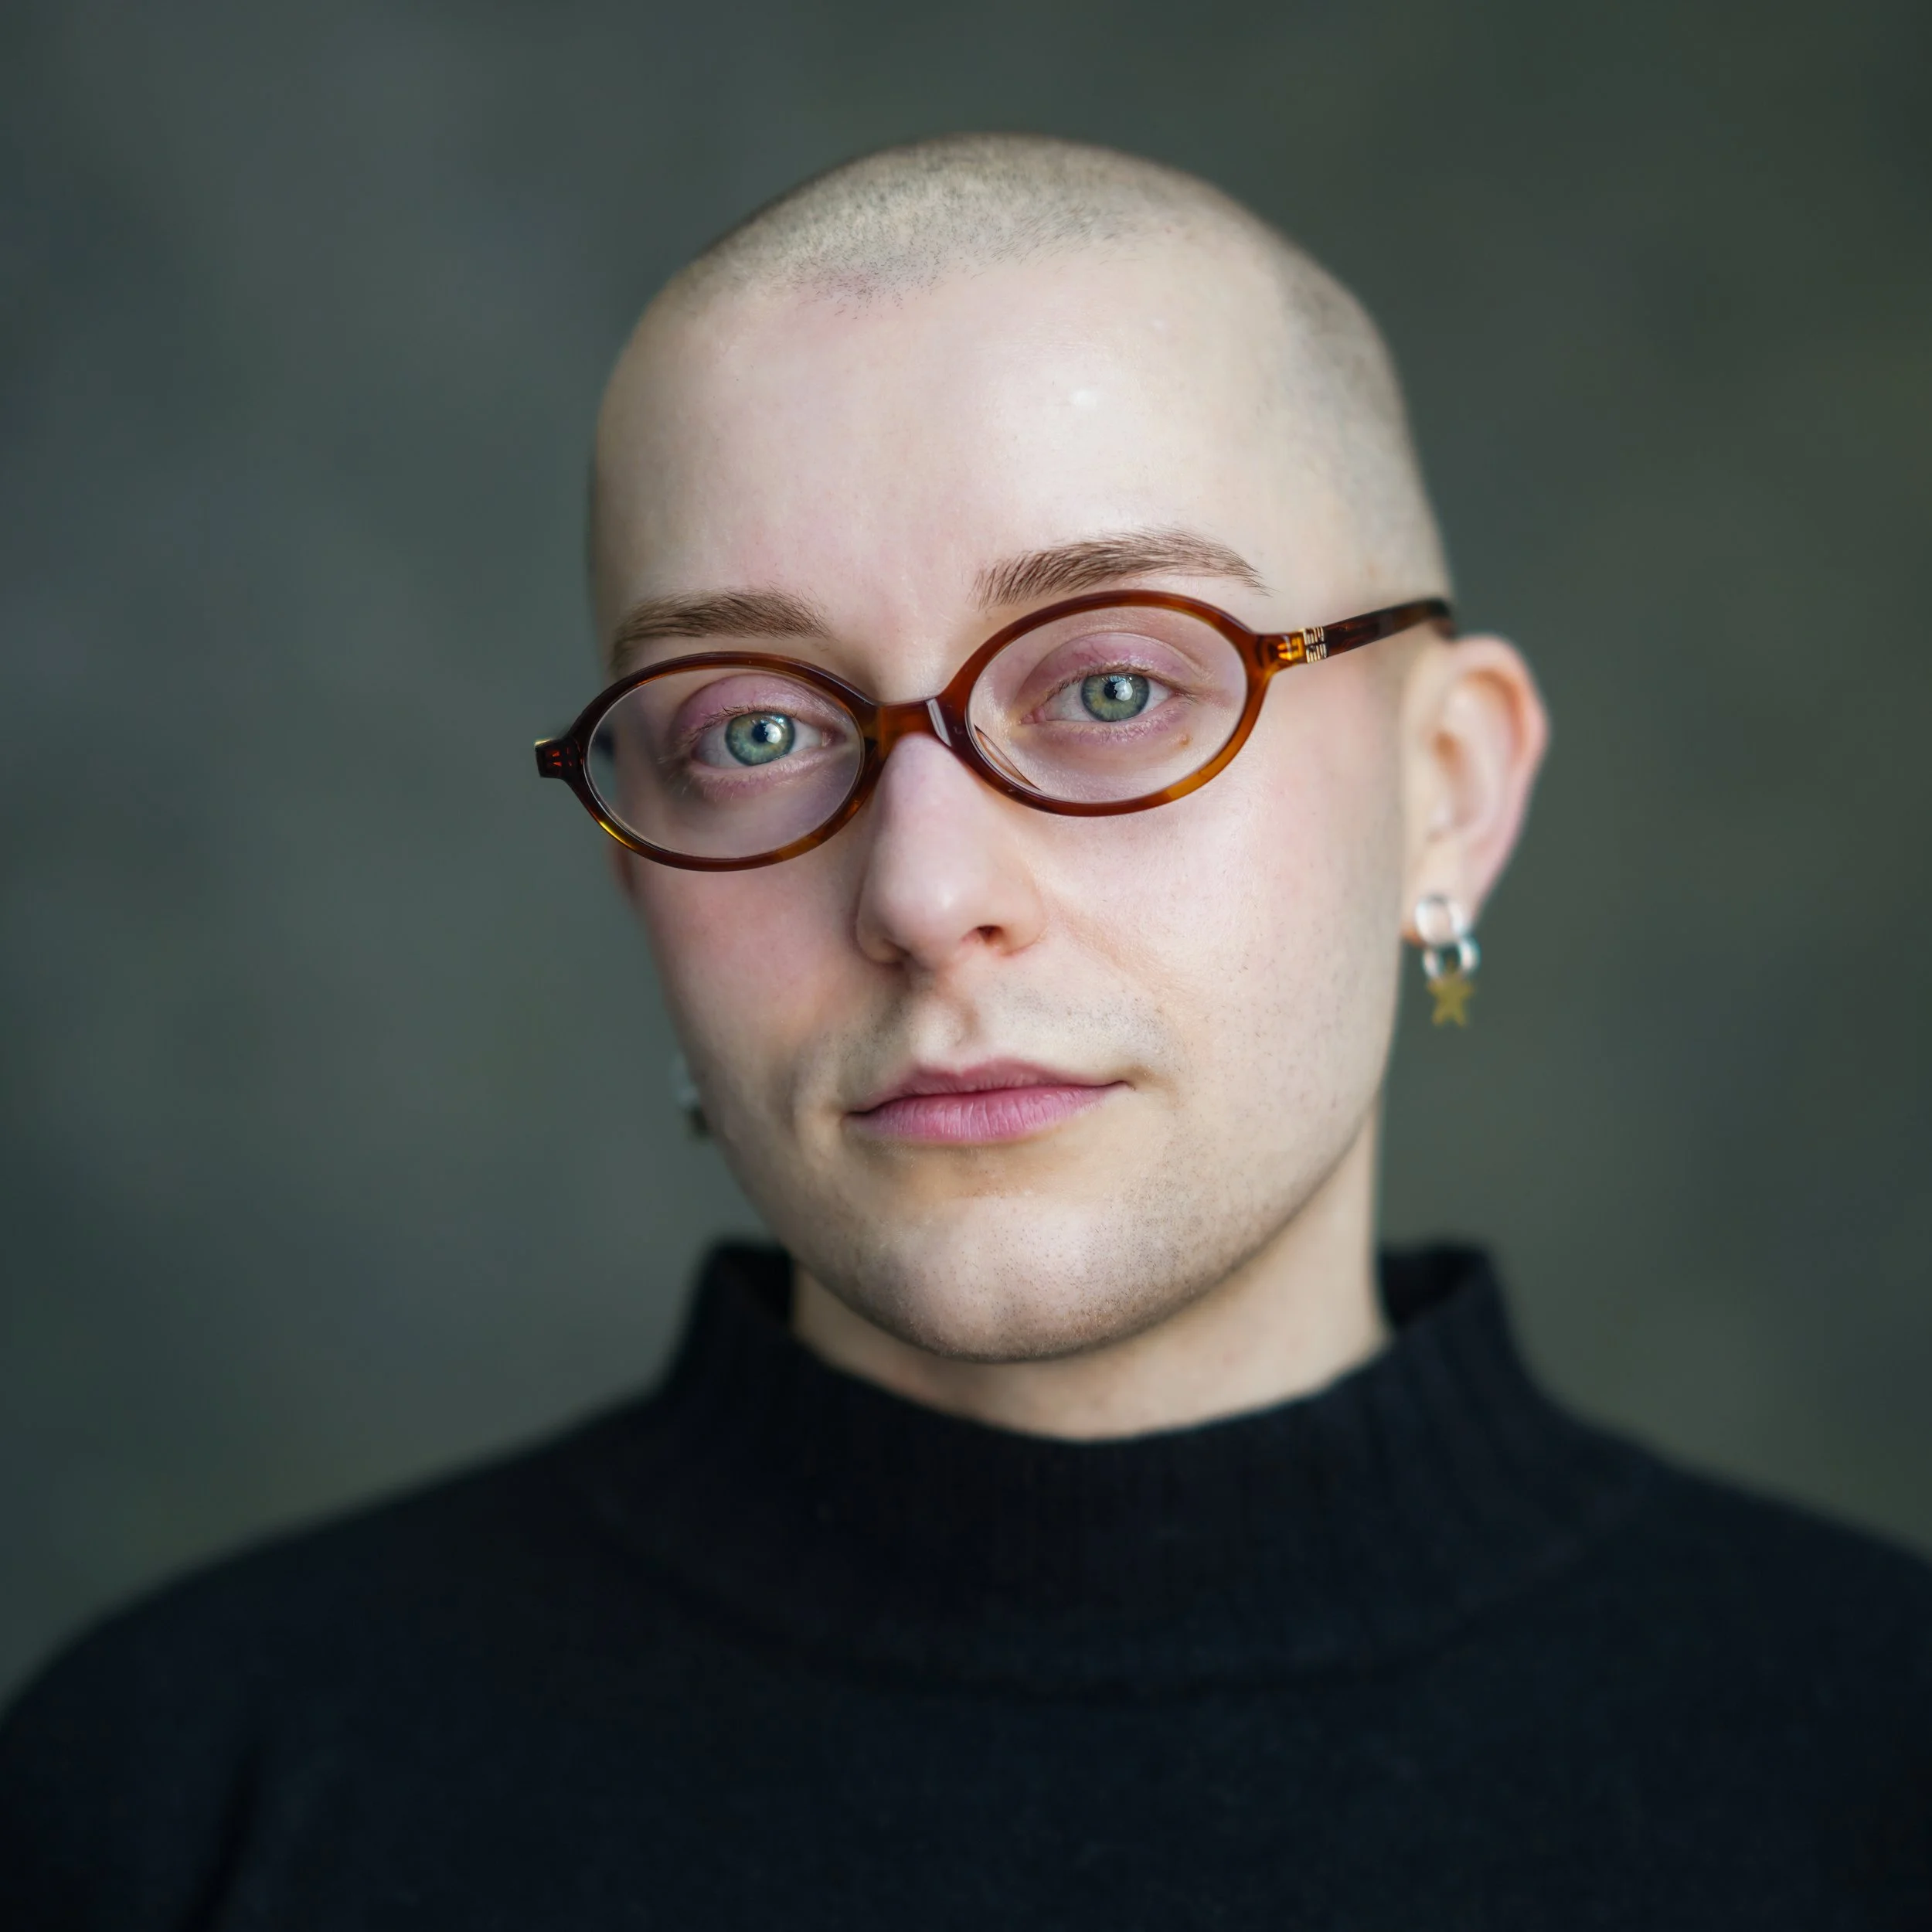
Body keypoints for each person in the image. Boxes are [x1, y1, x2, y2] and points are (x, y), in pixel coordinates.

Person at [2, 133, 1927, 1927]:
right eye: (751, 728)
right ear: (634, 862)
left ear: (1446, 793)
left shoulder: (1874, 1771)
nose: (921, 895)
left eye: (1111, 684)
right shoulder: (175, 1796)